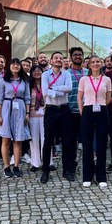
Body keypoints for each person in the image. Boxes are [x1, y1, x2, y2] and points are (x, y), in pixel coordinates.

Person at [77, 55, 112, 188]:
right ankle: (87, 176)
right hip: (87, 110)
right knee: (87, 144)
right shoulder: (84, 79)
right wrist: (82, 111)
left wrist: (101, 104)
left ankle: (101, 176)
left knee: (102, 144)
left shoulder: (107, 79)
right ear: (89, 65)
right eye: (93, 62)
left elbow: (108, 98)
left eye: (98, 61)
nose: (96, 64)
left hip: (102, 110)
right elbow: (80, 97)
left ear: (101, 63)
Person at [40, 51, 73, 184]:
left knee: (67, 142)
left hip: (64, 110)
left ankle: (67, 170)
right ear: (51, 61)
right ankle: (45, 170)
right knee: (48, 141)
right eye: (56, 58)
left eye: (61, 58)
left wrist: (53, 88)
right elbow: (44, 91)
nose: (59, 60)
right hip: (51, 111)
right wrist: (58, 91)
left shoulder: (67, 73)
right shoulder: (45, 74)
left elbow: (69, 88)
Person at [0, 58, 31, 178]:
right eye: (13, 64)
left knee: (18, 140)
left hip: (20, 110)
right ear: (9, 66)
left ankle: (16, 165)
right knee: (6, 140)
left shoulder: (24, 81)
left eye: (18, 64)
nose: (15, 66)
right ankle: (6, 166)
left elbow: (27, 98)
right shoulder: (3, 81)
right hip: (7, 109)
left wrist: (27, 113)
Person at [68, 47, 88, 175]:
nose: (78, 57)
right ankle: (71, 166)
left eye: (80, 55)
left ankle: (88, 165)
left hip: (86, 111)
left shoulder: (88, 72)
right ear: (71, 57)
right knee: (70, 141)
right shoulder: (66, 73)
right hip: (70, 111)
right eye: (75, 55)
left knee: (87, 139)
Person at [28, 65, 50, 172]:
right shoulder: (29, 85)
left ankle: (49, 161)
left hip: (45, 114)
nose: (37, 72)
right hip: (32, 115)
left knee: (46, 139)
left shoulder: (46, 83)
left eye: (39, 71)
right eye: (34, 71)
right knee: (34, 139)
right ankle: (35, 162)